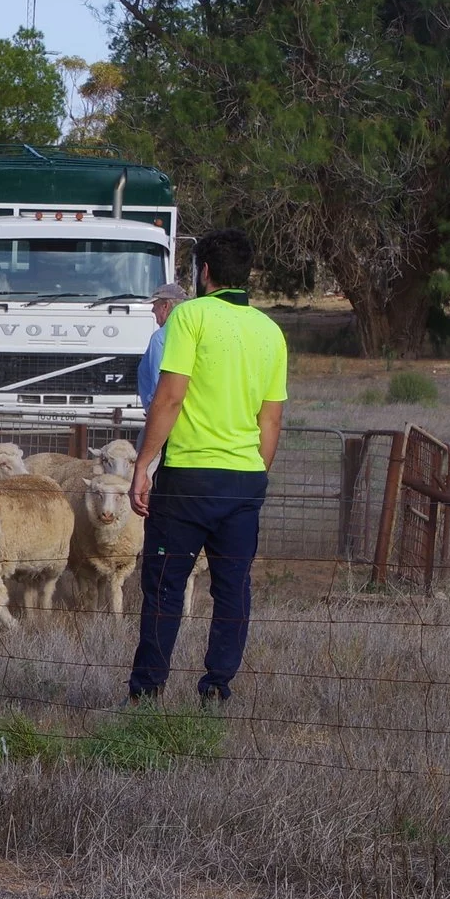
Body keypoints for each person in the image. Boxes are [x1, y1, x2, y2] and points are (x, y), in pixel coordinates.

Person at [127, 229, 286, 706]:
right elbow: (271, 419)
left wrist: (143, 464)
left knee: (164, 586)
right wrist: (255, 474)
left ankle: (147, 691)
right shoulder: (270, 331)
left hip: (188, 477)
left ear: (205, 272)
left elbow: (169, 396)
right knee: (232, 589)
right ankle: (217, 687)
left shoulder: (189, 316)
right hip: (244, 480)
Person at [137, 281, 191, 410]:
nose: (152, 310)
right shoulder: (192, 333)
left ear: (165, 306)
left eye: (155, 305)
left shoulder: (160, 338)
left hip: (162, 415)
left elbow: (159, 387)